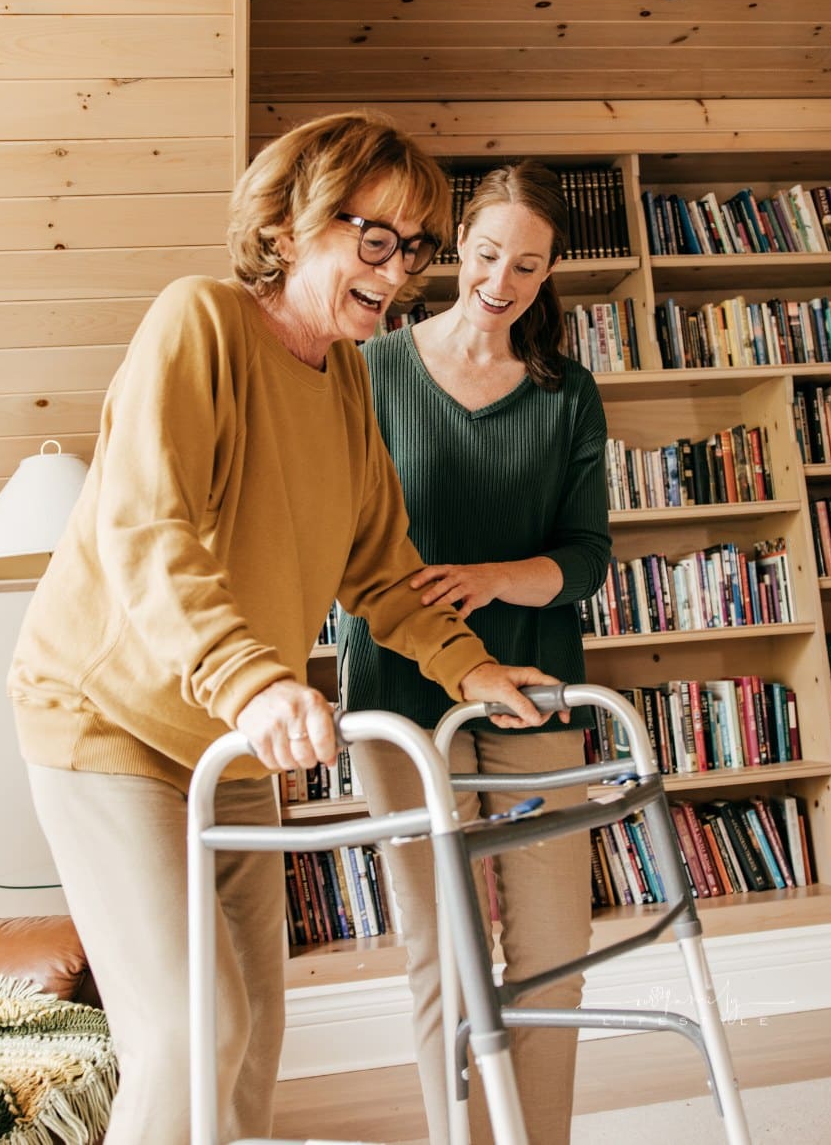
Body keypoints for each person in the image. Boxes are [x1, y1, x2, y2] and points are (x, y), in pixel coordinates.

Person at [6, 112, 561, 1145]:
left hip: (230, 736)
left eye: (418, 248)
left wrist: (470, 667)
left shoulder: (348, 374)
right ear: (294, 220)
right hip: (110, 725)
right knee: (187, 1033)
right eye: (376, 237)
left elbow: (381, 568)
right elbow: (146, 531)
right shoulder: (199, 323)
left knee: (254, 1033)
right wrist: (256, 682)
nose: (399, 272)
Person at [339, 159, 612, 1144]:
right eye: (489, 255)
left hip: (532, 695)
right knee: (444, 950)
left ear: (549, 273)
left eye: (528, 267)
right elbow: (337, 538)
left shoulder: (565, 392)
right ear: (457, 248)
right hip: (401, 698)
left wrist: (497, 577)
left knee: (550, 945)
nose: (502, 283)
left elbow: (587, 558)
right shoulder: (370, 369)